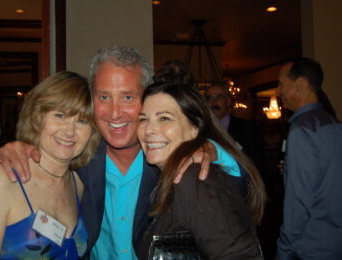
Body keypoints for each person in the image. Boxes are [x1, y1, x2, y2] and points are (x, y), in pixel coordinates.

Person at [0, 46, 219, 260]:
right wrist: (19, 146)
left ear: (147, 99)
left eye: (128, 97)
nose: (115, 113)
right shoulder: (77, 160)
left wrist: (212, 150)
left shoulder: (169, 155)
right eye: (104, 97)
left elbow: (243, 191)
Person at [0, 72, 100, 259]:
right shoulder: (2, 181)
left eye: (82, 121)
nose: (70, 131)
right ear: (37, 117)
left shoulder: (78, 183)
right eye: (60, 115)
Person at [136, 83, 266, 259]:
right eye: (143, 119)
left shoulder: (194, 179)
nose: (148, 130)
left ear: (194, 130)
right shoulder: (169, 176)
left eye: (164, 118)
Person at [276, 57, 342, 259]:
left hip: (310, 247)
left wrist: (284, 250)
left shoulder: (302, 131)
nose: (278, 93)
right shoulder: (334, 124)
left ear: (301, 84)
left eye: (281, 85)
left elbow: (298, 205)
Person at [205, 82, 264, 174]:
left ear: (228, 102)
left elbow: (257, 165)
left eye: (219, 97)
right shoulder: (200, 130)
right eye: (209, 98)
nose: (213, 103)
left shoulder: (248, 129)